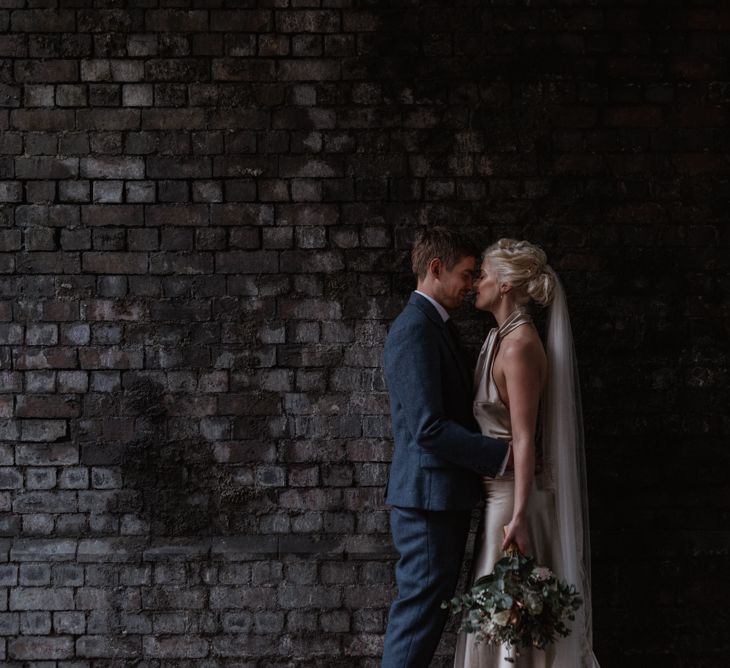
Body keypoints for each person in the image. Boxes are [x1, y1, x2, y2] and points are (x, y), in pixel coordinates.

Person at [453, 239, 600, 667]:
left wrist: (517, 517)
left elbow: (524, 437)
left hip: (513, 502)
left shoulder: (518, 347)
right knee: (500, 618)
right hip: (498, 496)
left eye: (482, 274)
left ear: (504, 284)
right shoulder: (500, 338)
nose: (475, 282)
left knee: (508, 621)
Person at [381, 227, 511, 668]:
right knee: (418, 617)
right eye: (466, 273)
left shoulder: (434, 325)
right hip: (427, 503)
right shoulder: (414, 329)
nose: (471, 284)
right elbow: (428, 428)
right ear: (435, 269)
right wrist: (503, 457)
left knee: (425, 617)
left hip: (438, 499)